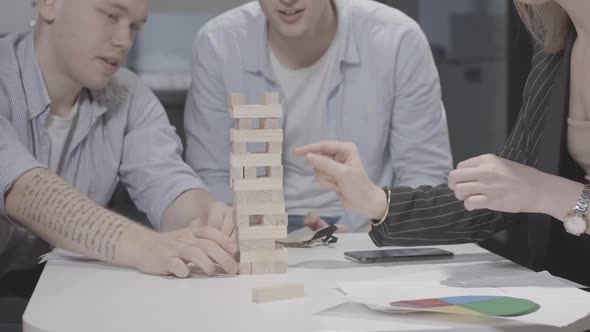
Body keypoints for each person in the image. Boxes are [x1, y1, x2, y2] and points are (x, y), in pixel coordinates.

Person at [295, 0, 590, 287]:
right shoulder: (556, 50)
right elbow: (498, 199)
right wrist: (375, 201)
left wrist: (546, 193)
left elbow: (531, 188)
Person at [0, 0, 241, 284]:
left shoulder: (129, 95)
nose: (124, 41)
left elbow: (168, 182)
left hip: (65, 292)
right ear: (49, 4)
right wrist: (144, 245)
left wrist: (205, 220)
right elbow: (24, 189)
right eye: (111, 15)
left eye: (134, 27)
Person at [184, 0, 453, 233]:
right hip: (251, 229)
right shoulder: (218, 44)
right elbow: (210, 175)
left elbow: (424, 170)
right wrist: (244, 235)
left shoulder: (397, 39)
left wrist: (375, 229)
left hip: (368, 224)